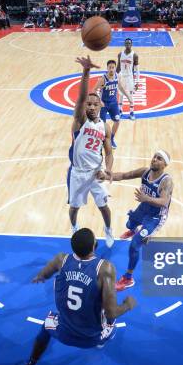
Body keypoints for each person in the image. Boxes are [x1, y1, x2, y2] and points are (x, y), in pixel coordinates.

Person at [14, 228, 137, 365]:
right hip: (93, 337)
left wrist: (40, 277)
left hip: (64, 332)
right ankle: (107, 333)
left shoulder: (61, 260)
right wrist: (128, 305)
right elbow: (111, 311)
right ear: (94, 245)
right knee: (109, 303)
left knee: (47, 324)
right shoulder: (105, 268)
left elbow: (43, 275)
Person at [68, 56, 115, 247]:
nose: (92, 106)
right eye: (89, 104)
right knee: (74, 207)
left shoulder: (105, 127)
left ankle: (108, 230)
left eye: (95, 104)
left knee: (104, 206)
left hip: (96, 172)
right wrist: (86, 71)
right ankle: (74, 227)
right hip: (78, 173)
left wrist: (109, 169)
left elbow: (109, 152)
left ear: (100, 106)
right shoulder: (80, 121)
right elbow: (81, 97)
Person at [111, 151, 173, 291]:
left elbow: (164, 201)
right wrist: (108, 176)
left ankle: (128, 278)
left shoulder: (166, 181)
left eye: (159, 158)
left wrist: (146, 198)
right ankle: (134, 230)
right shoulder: (145, 172)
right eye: (154, 157)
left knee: (134, 245)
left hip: (156, 217)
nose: (155, 159)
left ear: (165, 164)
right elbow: (124, 175)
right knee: (129, 224)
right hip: (144, 207)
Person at [91, 60, 132, 149]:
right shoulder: (103, 79)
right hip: (104, 104)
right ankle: (102, 140)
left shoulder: (117, 76)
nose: (111, 69)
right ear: (107, 68)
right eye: (110, 67)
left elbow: (120, 87)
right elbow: (93, 90)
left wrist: (128, 96)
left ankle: (111, 139)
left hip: (113, 103)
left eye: (113, 67)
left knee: (117, 121)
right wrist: (99, 101)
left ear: (115, 68)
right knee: (102, 125)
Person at [117, 38, 139, 120]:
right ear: (124, 44)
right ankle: (120, 111)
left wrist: (137, 82)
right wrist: (116, 77)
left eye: (129, 43)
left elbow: (137, 70)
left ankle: (132, 112)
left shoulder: (134, 55)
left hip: (130, 77)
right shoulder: (120, 54)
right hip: (122, 76)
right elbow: (118, 66)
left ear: (131, 44)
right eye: (126, 43)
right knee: (121, 94)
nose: (128, 44)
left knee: (130, 94)